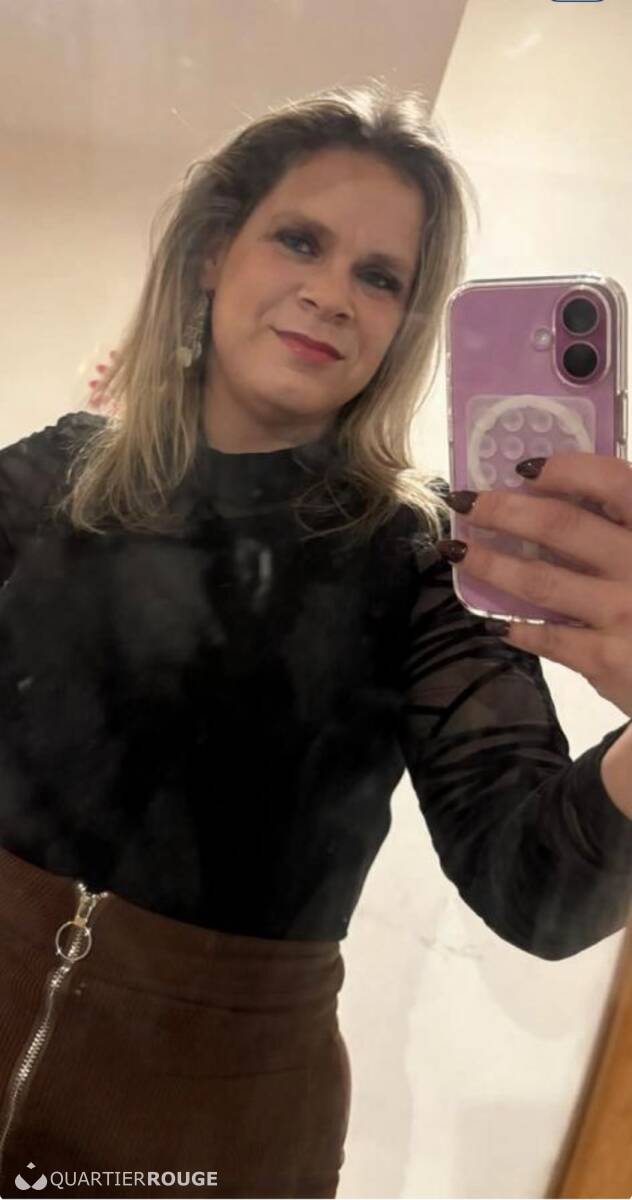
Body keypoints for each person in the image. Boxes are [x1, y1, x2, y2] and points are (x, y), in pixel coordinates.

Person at [0, 78, 631, 1200]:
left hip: (213, 1132)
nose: (333, 295)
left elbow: (537, 890)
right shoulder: (56, 472)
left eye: (379, 277)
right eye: (300, 240)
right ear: (212, 252)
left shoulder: (422, 559)